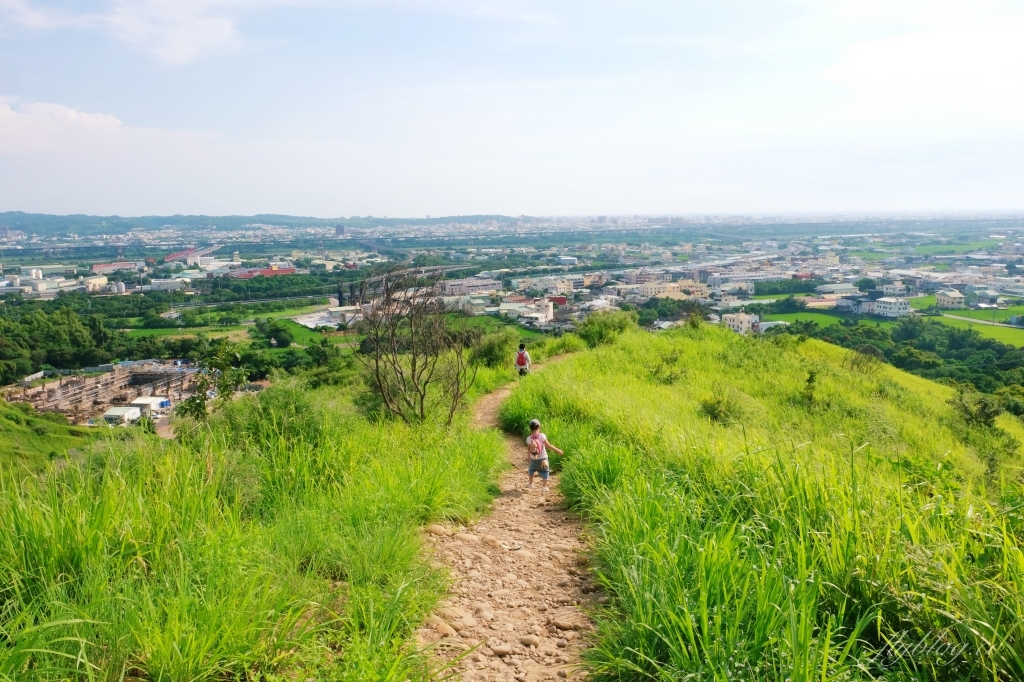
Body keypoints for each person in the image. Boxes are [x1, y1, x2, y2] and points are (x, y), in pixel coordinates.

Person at [525, 418, 563, 491]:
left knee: (531, 470)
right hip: (543, 458)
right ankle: (544, 487)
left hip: (534, 459)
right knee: (545, 471)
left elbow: (529, 449)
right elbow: (548, 446)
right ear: (539, 427)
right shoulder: (542, 436)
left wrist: (528, 458)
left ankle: (530, 484)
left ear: (530, 428)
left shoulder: (528, 439)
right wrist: (558, 450)